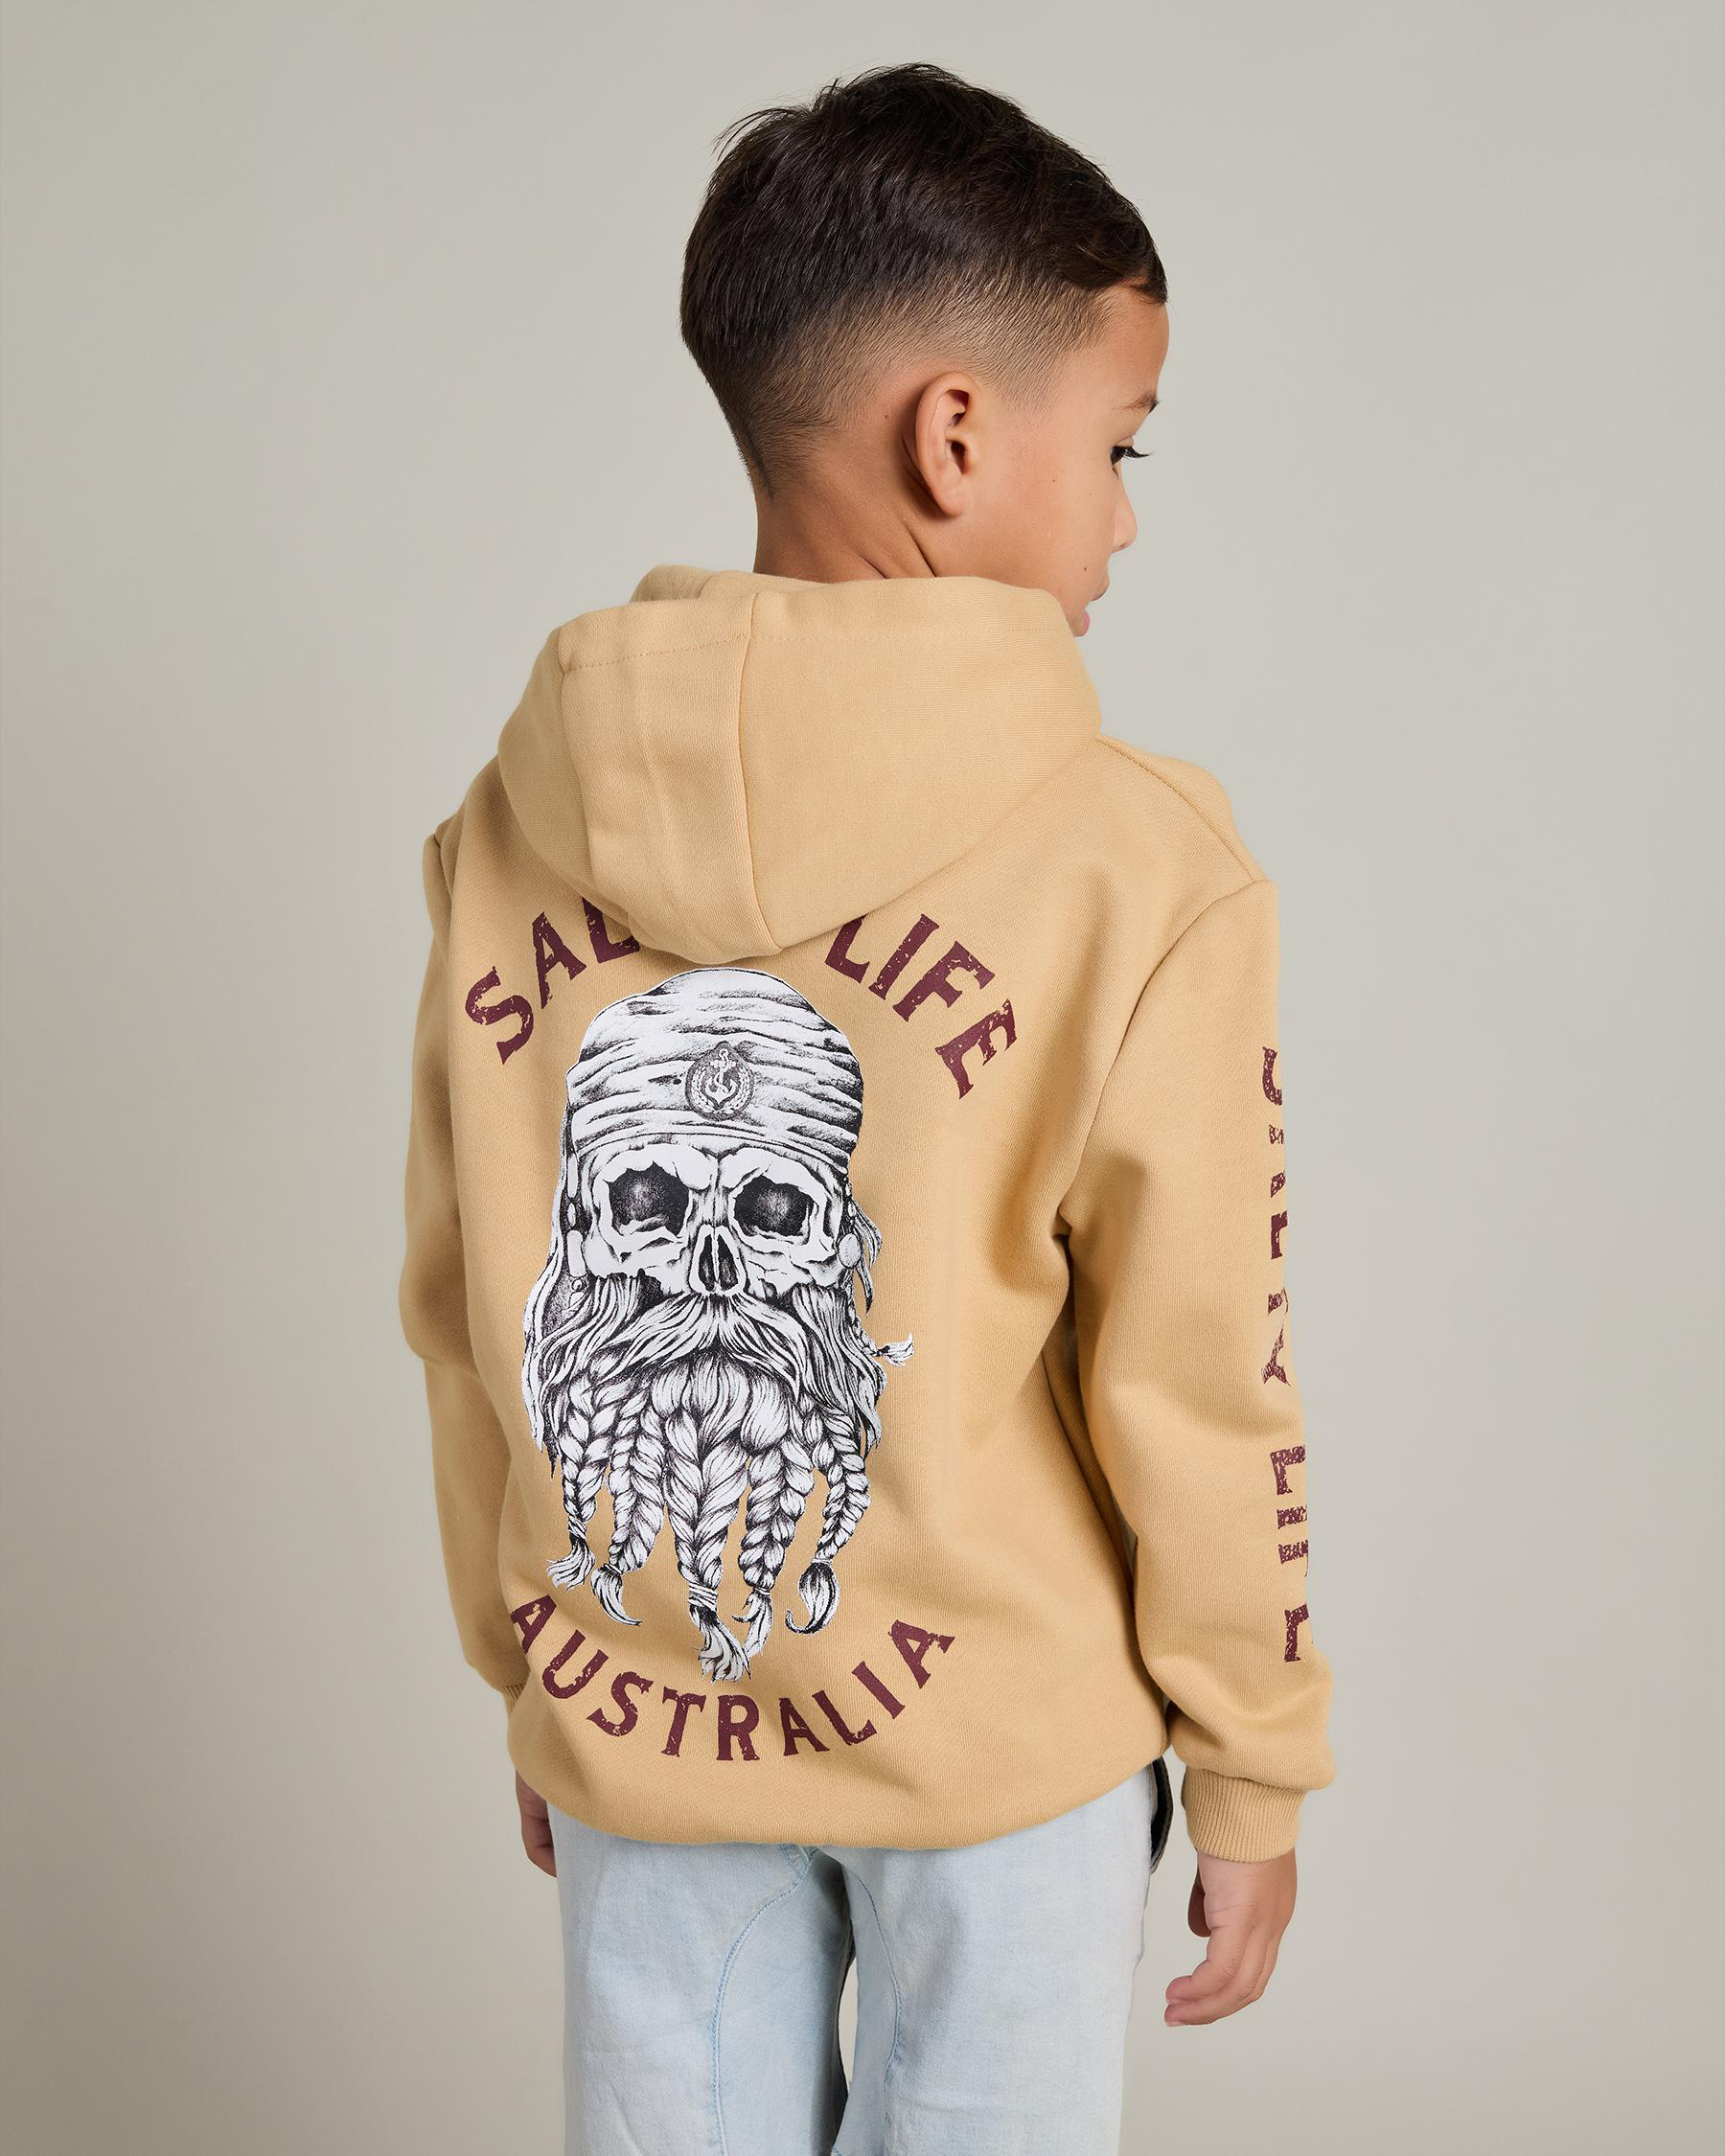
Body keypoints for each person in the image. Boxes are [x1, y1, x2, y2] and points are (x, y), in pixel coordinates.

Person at [398, 58, 1336, 2156]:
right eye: (1120, 444)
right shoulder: (1138, 863)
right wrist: (1253, 1757)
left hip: (647, 1723)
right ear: (957, 435)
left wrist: (535, 1662)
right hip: (1009, 1761)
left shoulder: (507, 836)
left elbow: (469, 1309)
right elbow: (1202, 1370)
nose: (1124, 516)